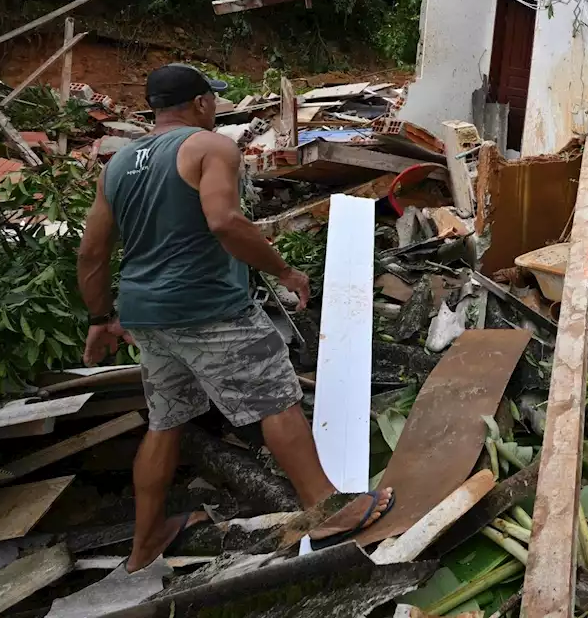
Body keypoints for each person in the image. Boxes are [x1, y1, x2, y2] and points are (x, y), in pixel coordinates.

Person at [77, 63, 394, 571]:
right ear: (201, 103)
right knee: (278, 400)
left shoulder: (117, 165)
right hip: (209, 308)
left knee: (166, 422)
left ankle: (145, 543)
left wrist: (99, 319)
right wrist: (285, 270)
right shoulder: (211, 147)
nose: (217, 108)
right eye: (213, 100)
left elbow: (92, 252)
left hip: (147, 317)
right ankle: (329, 511)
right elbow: (224, 219)